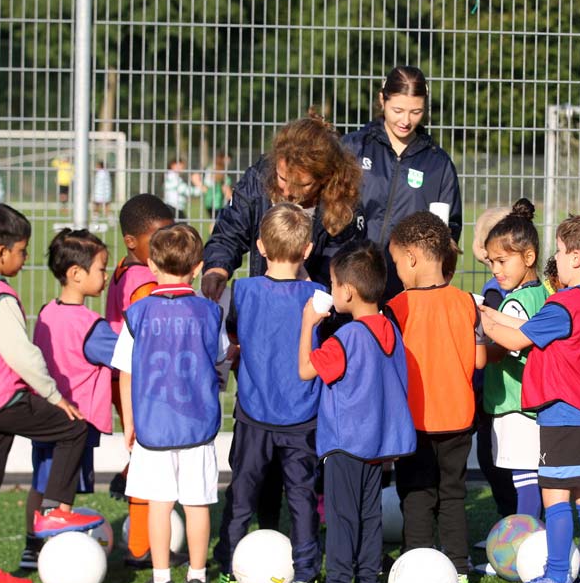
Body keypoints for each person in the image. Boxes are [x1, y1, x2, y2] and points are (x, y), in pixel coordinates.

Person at [0, 204, 104, 583]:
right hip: (3, 399)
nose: (25, 258)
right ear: (2, 253)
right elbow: (21, 354)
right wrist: (53, 395)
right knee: (73, 426)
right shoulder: (0, 296)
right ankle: (53, 511)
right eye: (22, 251)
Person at [479, 214, 580, 583]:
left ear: (576, 258)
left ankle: (557, 576)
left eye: (559, 252)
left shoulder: (564, 305)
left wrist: (475, 317)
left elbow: (515, 338)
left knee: (555, 497)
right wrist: (489, 312)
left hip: (563, 415)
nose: (554, 259)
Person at [212, 203, 326, 583]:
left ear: (259, 246)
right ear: (308, 249)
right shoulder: (318, 295)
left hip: (254, 413)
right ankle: (307, 576)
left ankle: (225, 566)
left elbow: (231, 339)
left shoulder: (241, 292)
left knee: (242, 492)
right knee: (302, 497)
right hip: (302, 415)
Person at [296, 242, 416, 583]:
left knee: (343, 518)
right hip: (378, 445)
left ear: (347, 291)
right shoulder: (392, 332)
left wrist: (307, 324)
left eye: (332, 284)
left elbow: (305, 370)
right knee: (369, 517)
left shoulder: (346, 338)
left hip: (345, 443)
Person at [113, 223, 228, 583]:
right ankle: (197, 580)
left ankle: (161, 581)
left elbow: (125, 373)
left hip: (153, 425)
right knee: (197, 503)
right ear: (197, 268)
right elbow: (220, 359)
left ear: (150, 264)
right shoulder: (209, 313)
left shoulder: (137, 313)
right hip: (197, 423)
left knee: (159, 505)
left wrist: (129, 422)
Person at [385, 211, 487, 583]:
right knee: (453, 494)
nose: (396, 271)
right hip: (459, 420)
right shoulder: (466, 303)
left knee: (416, 495)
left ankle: (416, 561)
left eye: (396, 262)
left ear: (411, 257)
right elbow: (477, 361)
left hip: (415, 423)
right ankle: (459, 568)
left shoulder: (397, 308)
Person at [21, 229, 118, 570]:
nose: (105, 276)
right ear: (76, 275)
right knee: (61, 487)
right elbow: (125, 356)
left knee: (42, 481)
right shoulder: (91, 325)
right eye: (102, 269)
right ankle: (54, 549)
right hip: (75, 419)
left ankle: (33, 548)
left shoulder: (47, 312)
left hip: (44, 412)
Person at [202, 116, 364, 298]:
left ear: (325, 178)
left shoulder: (343, 206)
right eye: (283, 178)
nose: (288, 192)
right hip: (263, 300)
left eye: (302, 185)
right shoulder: (257, 181)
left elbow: (339, 270)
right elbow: (228, 233)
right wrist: (217, 268)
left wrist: (307, 294)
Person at [342, 66, 461, 300]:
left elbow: (450, 231)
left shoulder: (438, 164)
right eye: (398, 110)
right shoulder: (352, 148)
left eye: (416, 112)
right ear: (381, 100)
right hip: (351, 283)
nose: (405, 121)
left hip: (408, 292)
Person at [104, 194, 177, 569]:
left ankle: (142, 539)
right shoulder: (143, 281)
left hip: (125, 376)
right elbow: (153, 332)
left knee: (144, 457)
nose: (165, 244)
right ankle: (139, 548)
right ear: (132, 241)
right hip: (143, 379)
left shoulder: (122, 269)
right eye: (158, 236)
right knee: (149, 463)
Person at [482, 199, 547, 520]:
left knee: (524, 483)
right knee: (533, 480)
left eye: (502, 261)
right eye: (491, 262)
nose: (495, 270)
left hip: (516, 406)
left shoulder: (514, 304)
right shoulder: (543, 293)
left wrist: (473, 347)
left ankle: (526, 544)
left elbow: (502, 350)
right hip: (535, 405)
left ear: (529, 257)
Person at [470, 205, 517, 528]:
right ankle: (516, 518)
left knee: (492, 455)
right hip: (511, 391)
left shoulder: (493, 293)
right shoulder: (535, 288)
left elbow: (494, 347)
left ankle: (511, 519)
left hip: (497, 391)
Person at [203, 150, 233, 230]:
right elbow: (226, 189)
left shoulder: (211, 168)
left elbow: (206, 184)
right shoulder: (221, 172)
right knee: (217, 224)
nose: (229, 162)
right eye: (227, 159)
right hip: (217, 203)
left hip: (209, 201)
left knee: (215, 223)